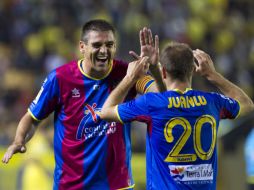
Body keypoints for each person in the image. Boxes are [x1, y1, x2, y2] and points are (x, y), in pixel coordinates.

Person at [2, 19, 163, 190]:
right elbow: (32, 118)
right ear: (82, 47)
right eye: (97, 45)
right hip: (71, 185)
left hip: (117, 184)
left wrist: (154, 69)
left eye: (109, 45)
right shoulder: (60, 78)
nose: (104, 50)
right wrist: (19, 140)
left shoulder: (128, 73)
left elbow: (163, 98)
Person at [99, 42, 254, 190]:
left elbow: (105, 112)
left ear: (164, 72)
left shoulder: (152, 104)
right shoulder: (213, 102)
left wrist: (130, 78)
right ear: (193, 69)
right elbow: (247, 104)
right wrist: (212, 74)